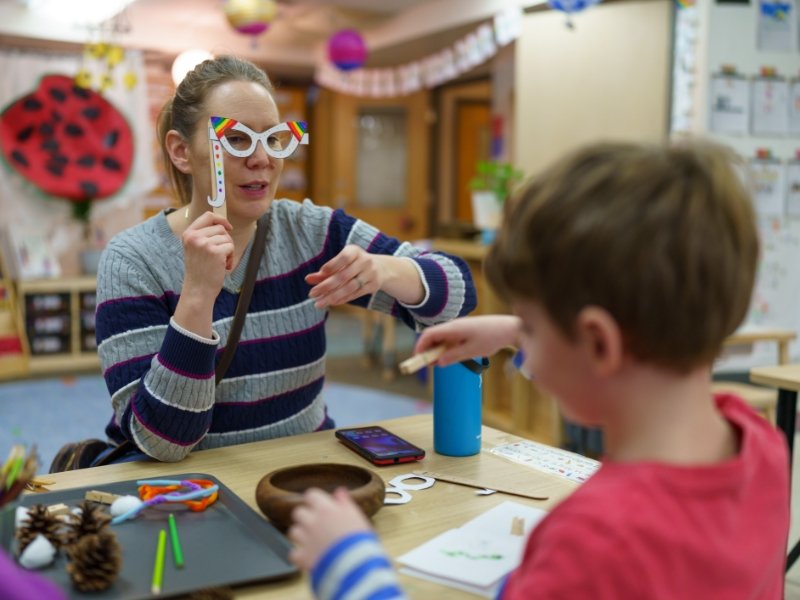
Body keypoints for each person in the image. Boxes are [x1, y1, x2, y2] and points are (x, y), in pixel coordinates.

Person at [287, 140, 790, 599]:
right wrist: (513, 330)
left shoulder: (590, 544)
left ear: (598, 341)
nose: (521, 342)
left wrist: (349, 564)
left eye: (531, 326)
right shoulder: (759, 446)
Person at [94, 55, 476, 463]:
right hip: (194, 489)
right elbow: (163, 441)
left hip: (303, 474)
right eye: (236, 139)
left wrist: (387, 269)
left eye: (274, 138)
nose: (263, 158)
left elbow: (458, 297)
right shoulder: (132, 261)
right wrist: (197, 296)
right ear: (181, 152)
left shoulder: (310, 231)